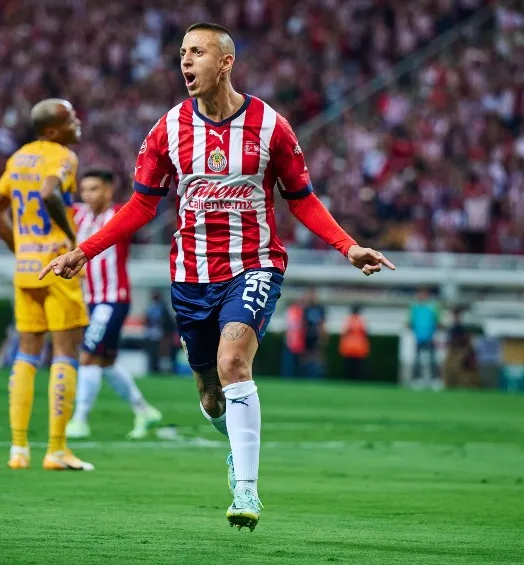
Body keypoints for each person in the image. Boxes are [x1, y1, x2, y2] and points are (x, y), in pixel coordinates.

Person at [39, 23, 394, 530]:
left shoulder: (272, 126)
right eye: (182, 53)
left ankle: (246, 490)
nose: (185, 62)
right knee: (210, 391)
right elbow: (142, 204)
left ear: (225, 62)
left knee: (234, 361)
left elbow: (303, 200)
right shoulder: (167, 130)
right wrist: (85, 251)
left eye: (197, 52)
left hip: (254, 265)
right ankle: (233, 445)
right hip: (190, 276)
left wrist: (348, 246)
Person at [0, 98, 93, 472]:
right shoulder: (61, 155)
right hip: (58, 266)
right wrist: (71, 236)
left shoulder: (17, 158)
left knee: (27, 355)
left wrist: (19, 248)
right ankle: (57, 449)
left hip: (26, 267)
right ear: (51, 130)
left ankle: (18, 450)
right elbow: (49, 193)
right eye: (69, 118)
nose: (77, 122)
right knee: (65, 353)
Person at [66, 169, 163, 440]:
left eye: (94, 189)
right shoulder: (79, 215)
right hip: (92, 299)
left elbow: (142, 210)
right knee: (106, 362)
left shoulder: (120, 214)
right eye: (84, 189)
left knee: (87, 356)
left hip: (112, 299)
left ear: (108, 190)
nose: (87, 195)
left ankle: (80, 420)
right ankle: (144, 410)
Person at [408, 287, 440, 388]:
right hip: (418, 337)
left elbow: (437, 321)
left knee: (432, 360)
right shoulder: (415, 308)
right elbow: (410, 322)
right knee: (417, 360)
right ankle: (417, 380)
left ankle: (435, 380)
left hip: (430, 337)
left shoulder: (433, 307)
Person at [339, 305, 369, 380]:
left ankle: (348, 379)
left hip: (349, 347)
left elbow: (344, 332)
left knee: (349, 366)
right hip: (359, 348)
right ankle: (357, 379)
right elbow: (365, 332)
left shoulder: (348, 320)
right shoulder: (361, 320)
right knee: (358, 367)